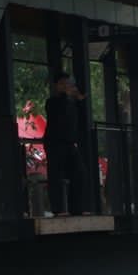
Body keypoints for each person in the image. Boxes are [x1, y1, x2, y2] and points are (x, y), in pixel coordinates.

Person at [42, 72, 86, 216]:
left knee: (78, 172)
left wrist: (78, 99)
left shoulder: (72, 103)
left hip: (69, 143)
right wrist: (67, 96)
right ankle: (58, 209)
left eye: (68, 83)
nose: (67, 86)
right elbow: (59, 114)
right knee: (56, 175)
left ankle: (77, 208)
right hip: (55, 143)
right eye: (64, 83)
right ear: (57, 85)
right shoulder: (52, 102)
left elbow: (78, 119)